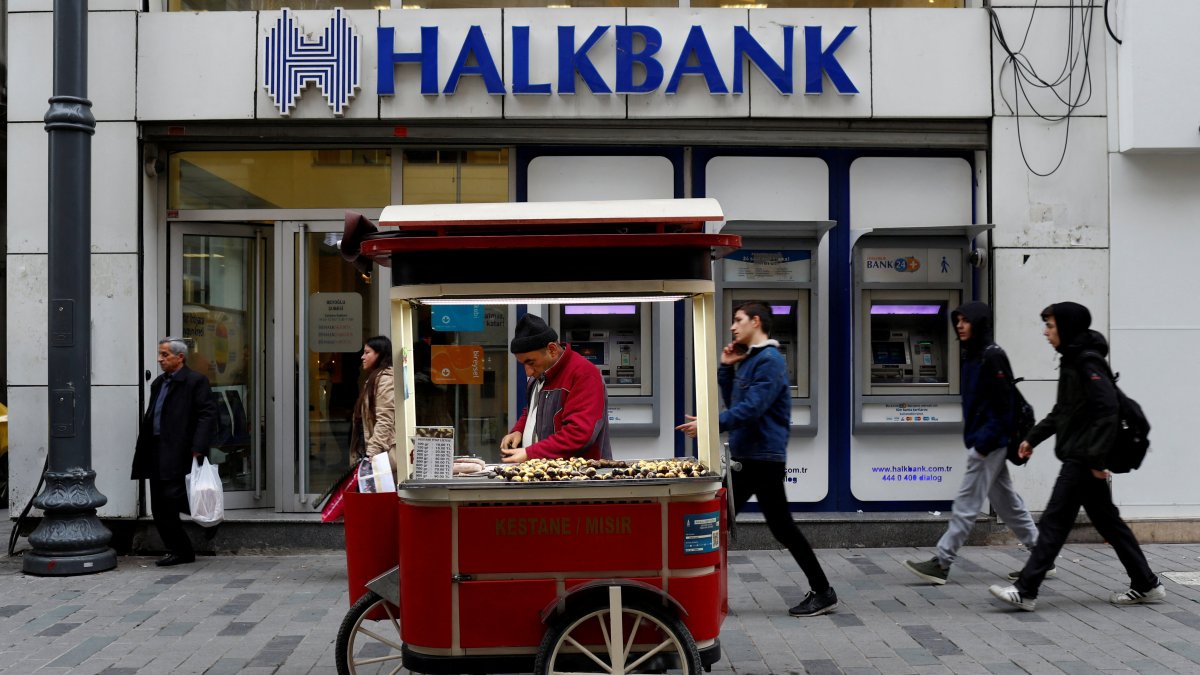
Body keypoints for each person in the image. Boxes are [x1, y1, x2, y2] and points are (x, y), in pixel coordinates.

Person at [989, 302, 1165, 611]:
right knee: (1109, 524)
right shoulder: (1073, 360)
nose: (1046, 332)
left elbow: (1108, 410)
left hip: (1083, 459)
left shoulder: (1086, 362)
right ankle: (1146, 583)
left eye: (1051, 326)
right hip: (1081, 457)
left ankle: (1026, 589)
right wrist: (1032, 438)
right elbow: (1063, 412)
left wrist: (1097, 461)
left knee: (1055, 522)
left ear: (1067, 327)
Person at [676, 301, 837, 617]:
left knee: (749, 523)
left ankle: (822, 591)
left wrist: (708, 424)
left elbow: (751, 409)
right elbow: (735, 401)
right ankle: (709, 594)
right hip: (749, 455)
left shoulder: (770, 361)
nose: (733, 327)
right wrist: (726, 367)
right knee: (723, 520)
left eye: (738, 320)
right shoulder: (750, 360)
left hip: (763, 458)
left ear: (756, 321)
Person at [903, 301, 1043, 585]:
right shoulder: (972, 354)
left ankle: (942, 562)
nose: (960, 326)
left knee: (967, 502)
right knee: (1008, 504)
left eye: (966, 321)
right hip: (983, 439)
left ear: (979, 323)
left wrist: (982, 445)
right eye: (958, 321)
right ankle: (1043, 555)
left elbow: (1003, 409)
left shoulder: (992, 356)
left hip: (988, 443)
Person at [131, 337, 216, 567]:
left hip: (181, 451)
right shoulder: (158, 383)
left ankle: (208, 521)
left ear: (180, 357)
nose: (160, 359)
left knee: (173, 499)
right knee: (159, 505)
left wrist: (198, 447)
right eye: (159, 354)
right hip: (156, 450)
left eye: (165, 355)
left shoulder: (195, 381)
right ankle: (180, 550)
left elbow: (206, 415)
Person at [499, 314, 611, 463]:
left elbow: (579, 434)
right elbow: (532, 410)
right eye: (523, 364)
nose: (528, 372)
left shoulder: (585, 374)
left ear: (552, 349)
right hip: (546, 473)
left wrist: (530, 453)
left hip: (578, 478)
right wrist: (518, 430)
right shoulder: (539, 374)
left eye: (531, 362)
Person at [350, 336, 396, 468]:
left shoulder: (385, 380)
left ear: (380, 354)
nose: (362, 357)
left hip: (380, 455)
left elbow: (385, 419)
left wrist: (372, 451)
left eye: (367, 352)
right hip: (370, 452)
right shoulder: (374, 378)